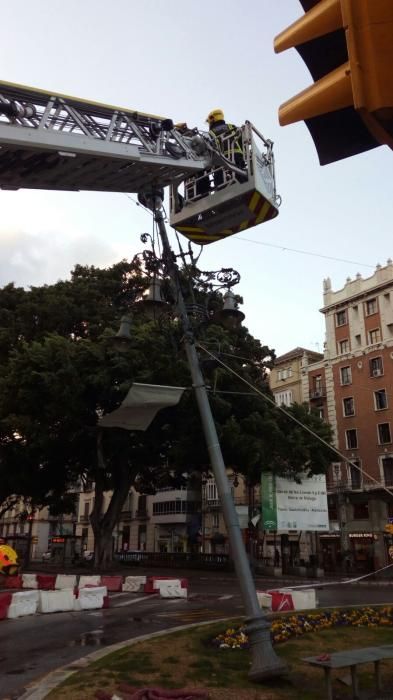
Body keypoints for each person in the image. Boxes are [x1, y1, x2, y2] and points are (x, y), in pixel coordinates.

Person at [206, 109, 247, 188]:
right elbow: (243, 143)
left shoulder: (210, 133)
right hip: (238, 160)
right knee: (242, 182)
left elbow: (209, 151)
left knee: (221, 187)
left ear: (212, 119)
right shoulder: (232, 127)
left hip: (222, 162)